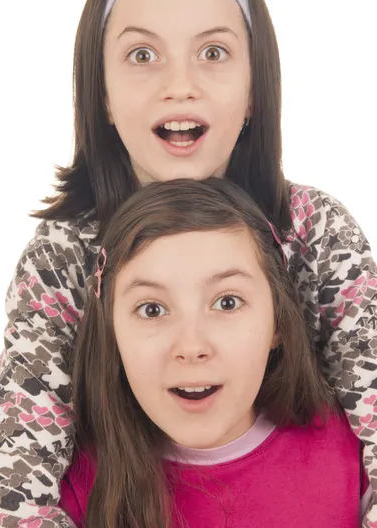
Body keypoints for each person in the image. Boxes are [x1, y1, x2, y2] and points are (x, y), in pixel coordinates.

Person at [0, 0, 376, 528]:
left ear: (253, 92)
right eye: (143, 55)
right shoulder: (63, 258)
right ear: (103, 95)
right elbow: (13, 471)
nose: (179, 85)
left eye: (212, 53)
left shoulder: (315, 231)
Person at [59, 178, 371, 528]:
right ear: (111, 332)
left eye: (227, 302)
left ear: (277, 323)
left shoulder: (353, 456)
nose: (192, 347)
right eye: (152, 309)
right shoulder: (69, 487)